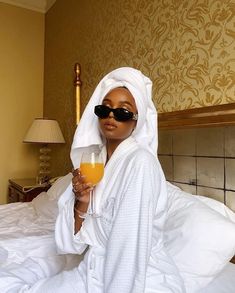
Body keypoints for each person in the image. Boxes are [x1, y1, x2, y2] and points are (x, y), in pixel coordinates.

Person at [0, 67, 185, 292]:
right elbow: (74, 244)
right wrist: (83, 202)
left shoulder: (140, 163)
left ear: (137, 120)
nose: (111, 116)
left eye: (123, 112)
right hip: (94, 265)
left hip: (136, 277)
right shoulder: (95, 160)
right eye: (104, 108)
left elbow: (129, 248)